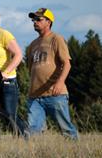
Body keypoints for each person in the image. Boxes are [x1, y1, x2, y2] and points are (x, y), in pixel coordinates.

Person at [26, 8, 78, 140]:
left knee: (65, 128)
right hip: (35, 96)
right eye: (34, 19)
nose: (35, 22)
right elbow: (30, 67)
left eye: (39, 19)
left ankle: (76, 153)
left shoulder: (56, 39)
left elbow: (67, 63)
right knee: (32, 131)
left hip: (55, 94)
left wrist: (59, 82)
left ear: (49, 22)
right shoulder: (32, 44)